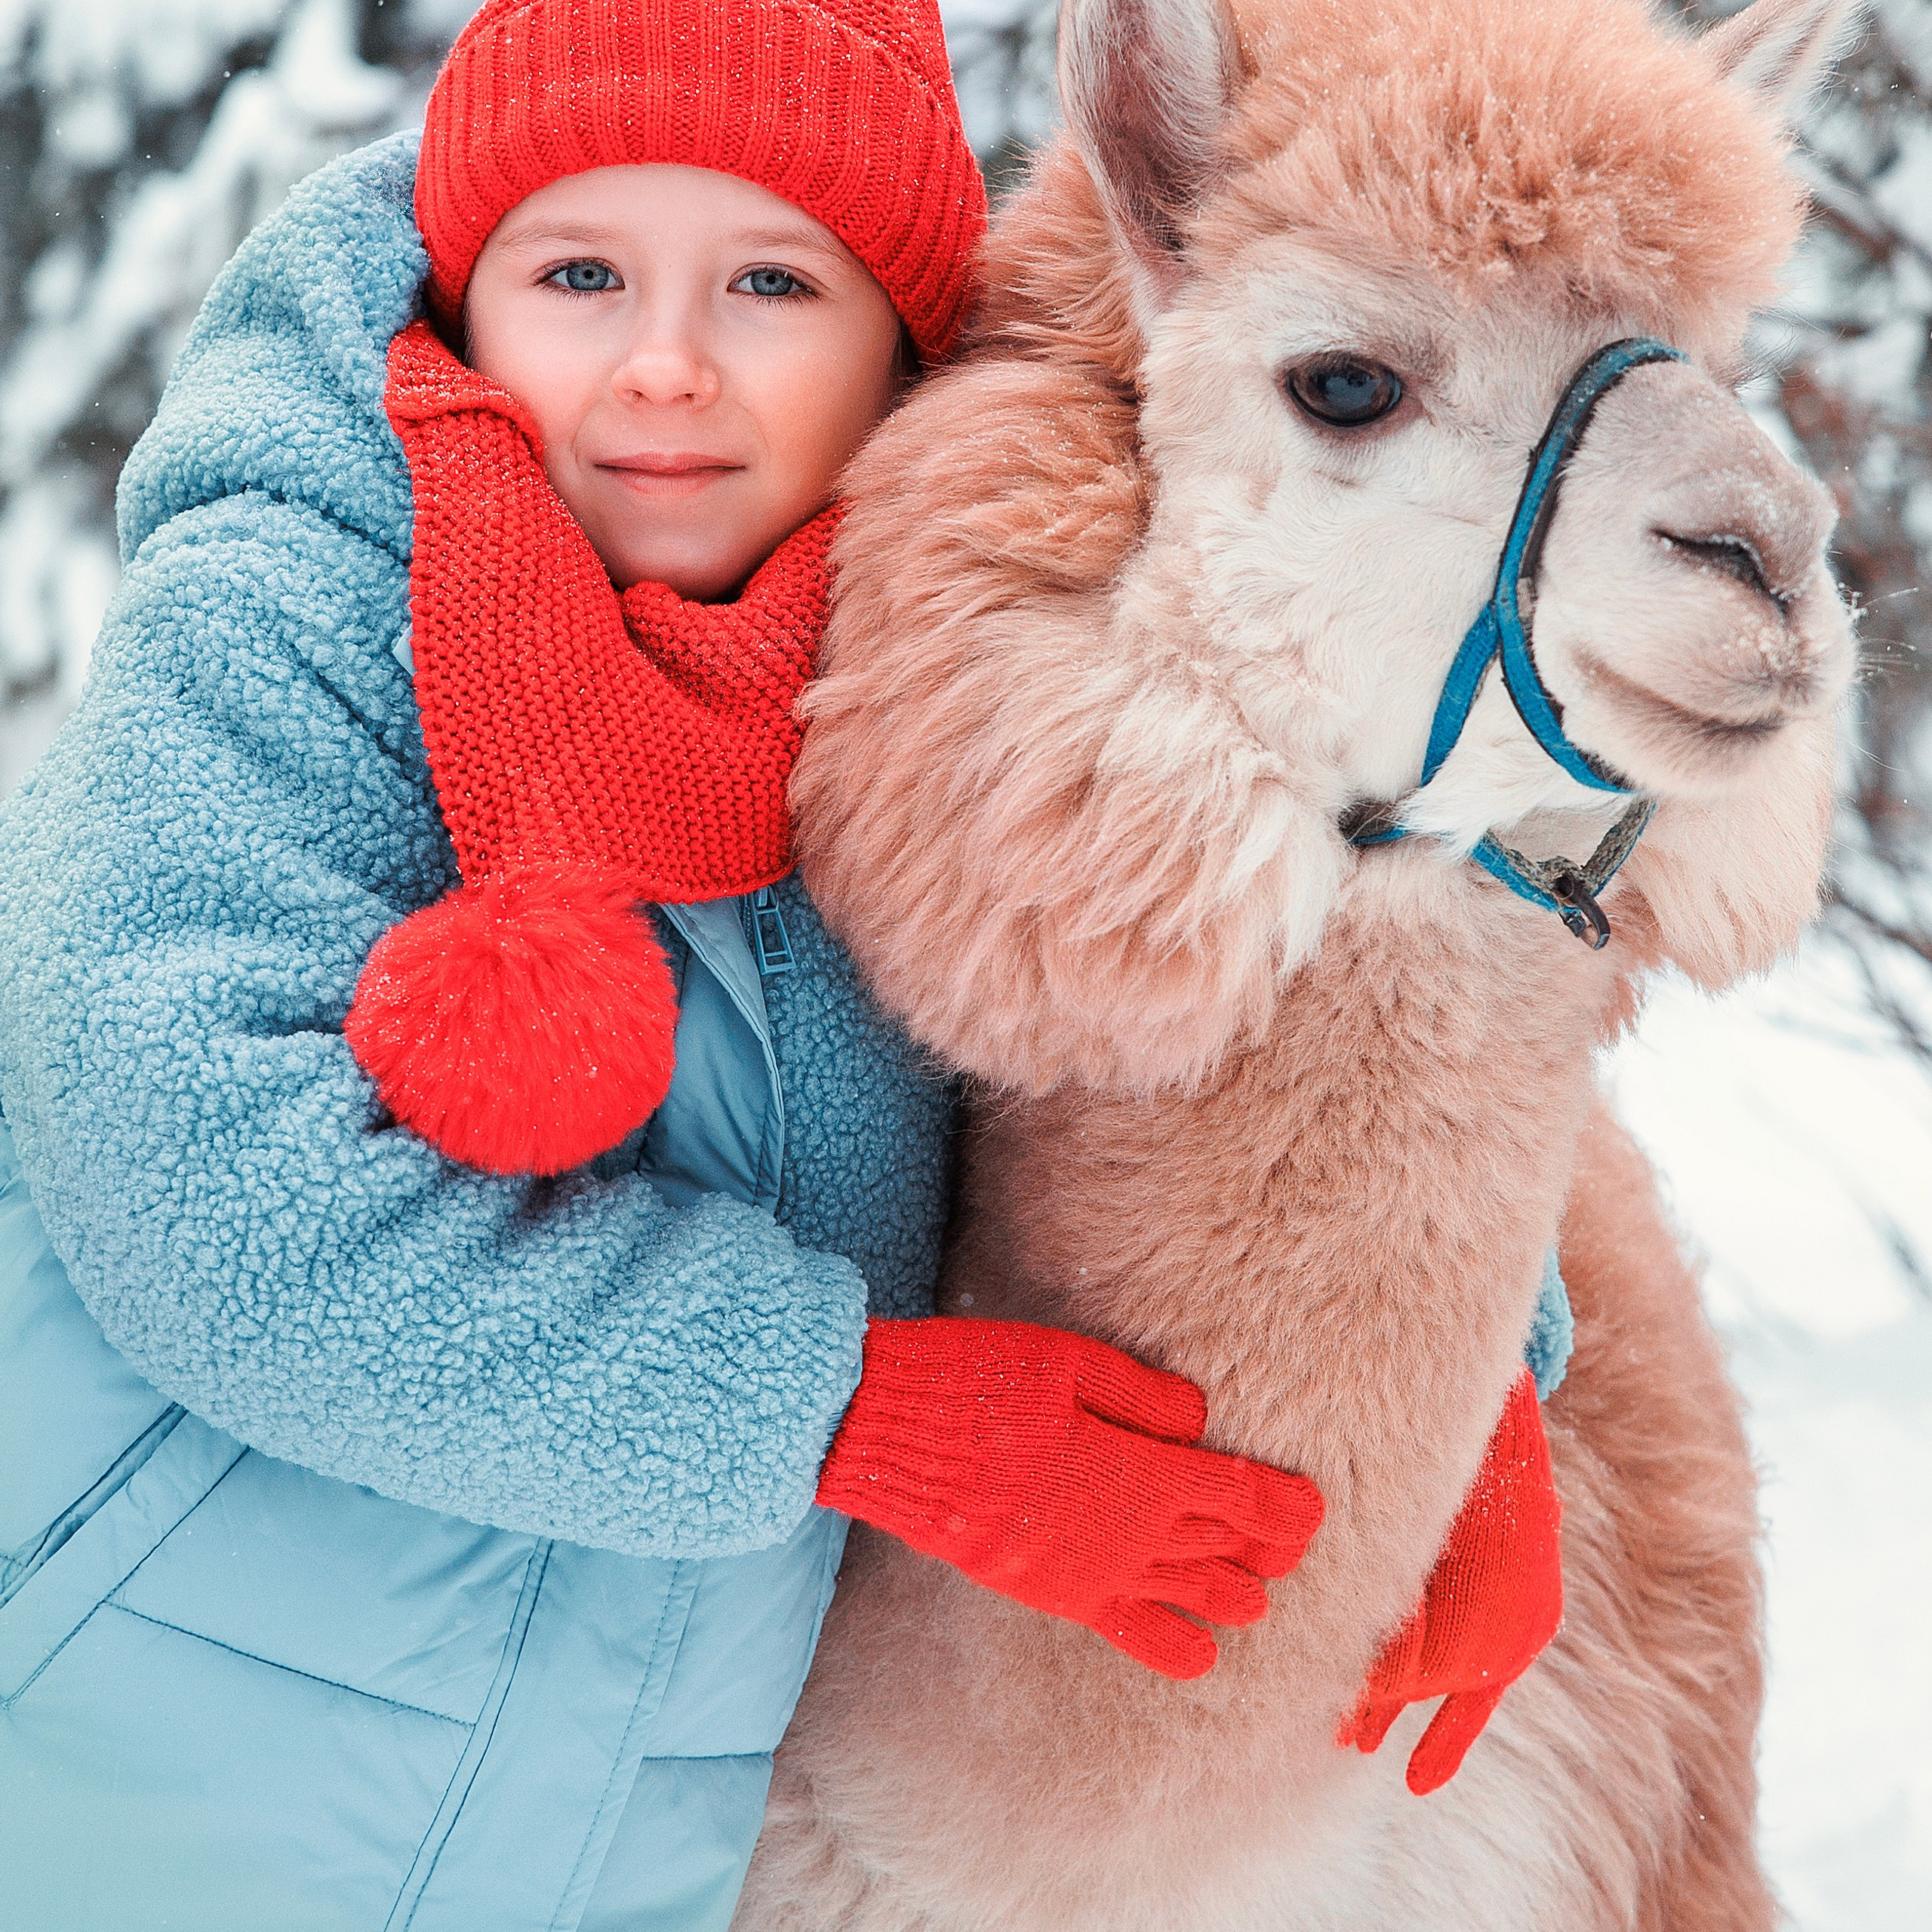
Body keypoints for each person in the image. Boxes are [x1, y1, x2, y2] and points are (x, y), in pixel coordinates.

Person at [0, 4, 1322, 1927]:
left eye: (774, 280)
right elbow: (218, 1206)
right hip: (114, 1775)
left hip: (622, 1834)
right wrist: (844, 1407)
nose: (665, 363)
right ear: (466, 295)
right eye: (580, 271)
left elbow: (1236, 997)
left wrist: (1488, 1389)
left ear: (901, 341)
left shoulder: (956, 680)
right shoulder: (284, 621)